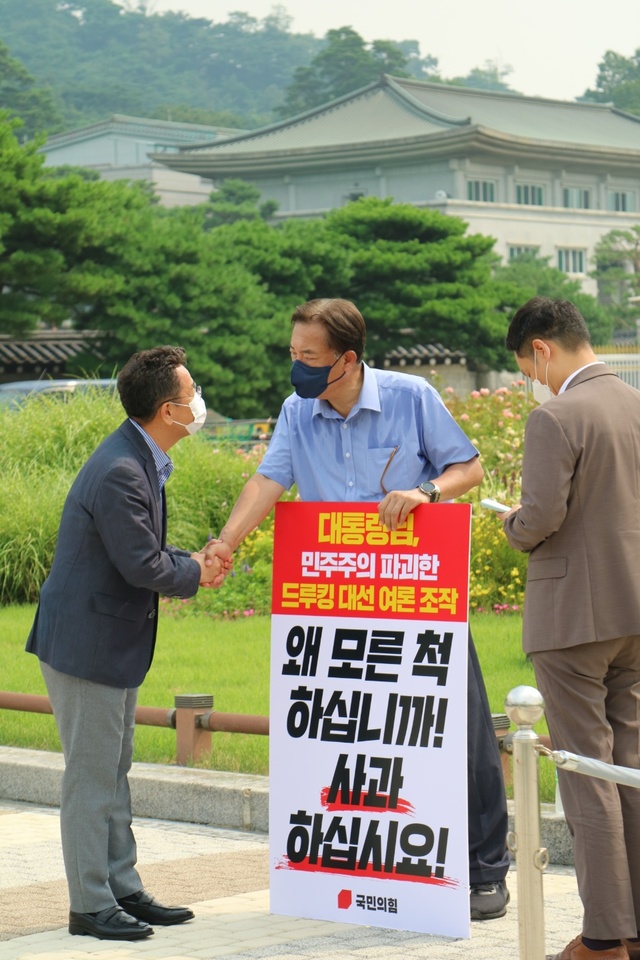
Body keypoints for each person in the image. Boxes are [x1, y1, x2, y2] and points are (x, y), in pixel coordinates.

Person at [209, 298, 511, 921]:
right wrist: (224, 545)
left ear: (347, 359)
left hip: (415, 594)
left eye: (309, 357)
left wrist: (423, 492)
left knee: (459, 726)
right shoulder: (298, 410)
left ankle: (485, 869)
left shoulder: (411, 396)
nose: (296, 366)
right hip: (335, 600)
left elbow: (469, 466)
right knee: (349, 733)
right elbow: (269, 480)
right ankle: (364, 865)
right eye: (293, 354)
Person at [26, 346, 232, 942]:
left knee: (113, 770)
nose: (199, 402)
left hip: (106, 639)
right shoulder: (122, 468)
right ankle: (90, 904)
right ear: (169, 410)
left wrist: (191, 561)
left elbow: (137, 551)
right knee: (91, 778)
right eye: (192, 394)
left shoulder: (139, 456)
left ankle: (121, 886)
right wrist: (197, 571)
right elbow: (141, 563)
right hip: (87, 645)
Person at [501, 297, 640, 960]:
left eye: (527, 365)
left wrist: (510, 525)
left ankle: (606, 934)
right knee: (630, 771)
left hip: (571, 618)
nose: (533, 378)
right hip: (633, 612)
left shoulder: (555, 416)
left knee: (586, 774)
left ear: (542, 350)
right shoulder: (637, 404)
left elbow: (540, 517)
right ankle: (633, 928)